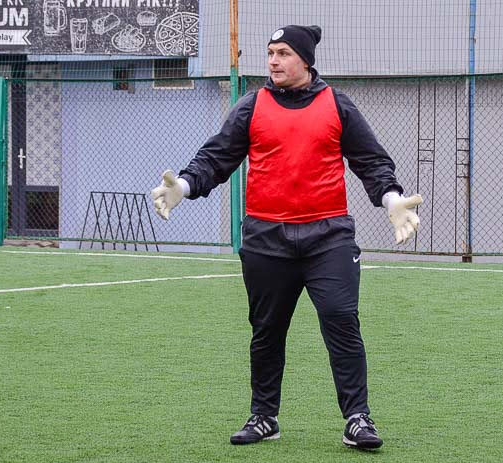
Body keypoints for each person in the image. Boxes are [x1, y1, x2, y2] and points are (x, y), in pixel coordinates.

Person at [151, 24, 422, 450]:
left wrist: (391, 199)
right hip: (265, 238)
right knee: (267, 330)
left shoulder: (338, 105)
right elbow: (217, 157)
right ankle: (264, 417)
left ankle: (358, 418)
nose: (273, 61)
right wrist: (182, 187)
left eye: (283, 53)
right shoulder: (251, 105)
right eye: (271, 53)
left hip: (328, 237)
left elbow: (371, 162)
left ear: (305, 61)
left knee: (341, 321)